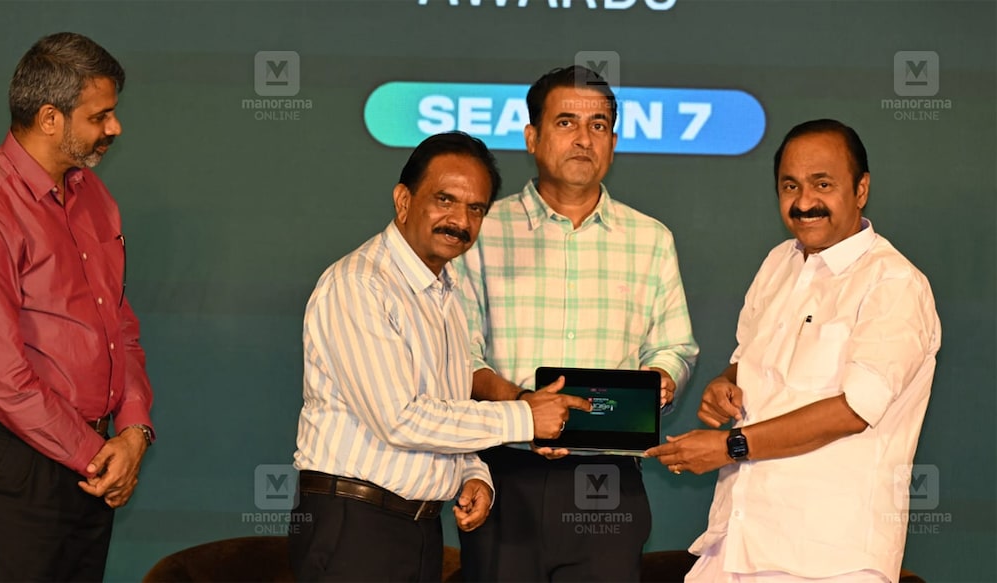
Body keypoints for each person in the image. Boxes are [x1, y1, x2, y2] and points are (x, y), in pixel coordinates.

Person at [646, 119, 941, 583]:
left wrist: (730, 446)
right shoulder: (778, 262)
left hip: (830, 556)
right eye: (790, 186)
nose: (804, 203)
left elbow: (853, 411)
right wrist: (724, 384)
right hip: (737, 538)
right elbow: (747, 362)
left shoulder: (894, 282)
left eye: (823, 184)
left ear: (861, 189)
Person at [290, 131, 590, 582]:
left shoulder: (445, 293)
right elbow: (399, 419)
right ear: (403, 201)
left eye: (476, 208)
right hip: (355, 525)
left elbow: (447, 407)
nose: (460, 220)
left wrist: (472, 473)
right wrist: (525, 417)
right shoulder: (359, 285)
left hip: (418, 527)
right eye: (445, 200)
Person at [0, 32, 155, 581]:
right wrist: (98, 454)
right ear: (50, 118)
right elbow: (1, 379)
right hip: (11, 459)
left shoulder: (93, 197)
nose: (115, 128)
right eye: (100, 116)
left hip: (88, 457)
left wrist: (133, 431)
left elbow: (120, 327)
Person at [455, 66, 699, 582]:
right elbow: (459, 356)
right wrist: (524, 406)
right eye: (566, 122)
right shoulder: (483, 231)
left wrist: (663, 377)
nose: (584, 138)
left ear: (614, 142)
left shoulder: (650, 239)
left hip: (608, 479)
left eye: (598, 125)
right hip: (505, 473)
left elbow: (675, 346)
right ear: (532, 138)